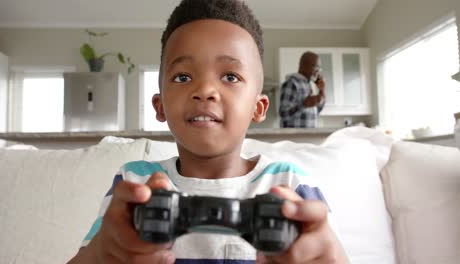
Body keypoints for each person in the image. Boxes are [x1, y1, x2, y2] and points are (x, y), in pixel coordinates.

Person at [68, 0, 348, 263]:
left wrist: (329, 256)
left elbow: (328, 252)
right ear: (160, 105)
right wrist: (103, 252)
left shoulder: (290, 184)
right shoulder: (135, 183)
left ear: (258, 107)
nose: (204, 90)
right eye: (183, 77)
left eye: (230, 76)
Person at [279, 51, 326, 128]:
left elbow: (317, 111)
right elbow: (283, 114)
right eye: (316, 66)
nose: (318, 70)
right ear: (304, 65)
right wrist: (304, 104)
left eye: (319, 67)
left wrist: (322, 91)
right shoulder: (292, 83)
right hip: (294, 138)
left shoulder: (309, 84)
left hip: (308, 137)